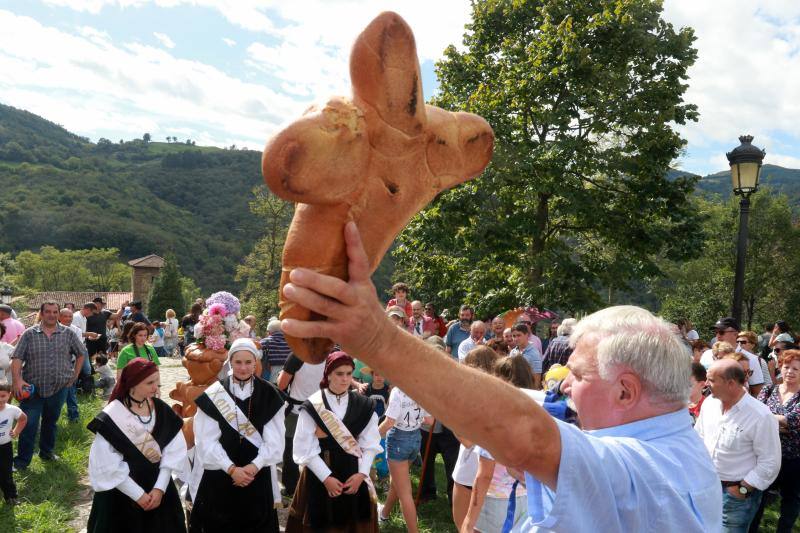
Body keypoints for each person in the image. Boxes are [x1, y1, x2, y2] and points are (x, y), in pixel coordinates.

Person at [278, 221, 723, 532]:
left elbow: (524, 432)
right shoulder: (666, 446)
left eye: (579, 375)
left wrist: (376, 338)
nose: (565, 385)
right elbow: (527, 412)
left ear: (626, 390)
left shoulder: (648, 469)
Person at [190, 338, 285, 532]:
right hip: (221, 476)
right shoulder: (214, 394)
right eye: (238, 362)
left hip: (256, 476)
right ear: (230, 362)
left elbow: (275, 440)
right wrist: (233, 470)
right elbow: (206, 441)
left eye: (248, 362)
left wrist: (253, 467)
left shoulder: (270, 394)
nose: (243, 368)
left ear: (256, 363)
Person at [86, 358, 187, 532]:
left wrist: (160, 488)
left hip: (159, 492)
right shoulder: (112, 416)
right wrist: (138, 495)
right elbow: (106, 463)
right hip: (122, 496)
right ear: (132, 384)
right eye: (150, 383)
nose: (156, 387)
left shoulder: (161, 409)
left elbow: (174, 451)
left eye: (157, 381)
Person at [286, 351, 382, 532]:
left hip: (354, 473)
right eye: (339, 374)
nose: (345, 379)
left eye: (348, 374)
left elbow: (371, 444)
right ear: (328, 374)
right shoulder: (313, 405)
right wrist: (326, 478)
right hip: (320, 472)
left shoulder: (364, 404)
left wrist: (361, 475)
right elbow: (304, 447)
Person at [695, 359, 781, 532]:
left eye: (712, 380)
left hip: (735, 495)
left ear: (731, 384)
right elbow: (699, 437)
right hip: (706, 488)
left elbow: (770, 461)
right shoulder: (709, 404)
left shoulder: (760, 416)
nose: (706, 384)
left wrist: (743, 488)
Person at [11, 301, 87, 470]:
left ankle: (47, 452)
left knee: (50, 422)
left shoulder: (68, 334)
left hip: (59, 388)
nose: (51, 315)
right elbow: (17, 358)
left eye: (55, 312)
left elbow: (81, 353)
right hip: (32, 389)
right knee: (29, 424)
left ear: (58, 314)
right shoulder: (29, 334)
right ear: (42, 313)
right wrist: (17, 380)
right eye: (48, 311)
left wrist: (74, 375)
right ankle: (22, 461)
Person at [461, 356, 532, 532]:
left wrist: (469, 520)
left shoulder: (496, 420)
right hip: (527, 498)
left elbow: (484, 475)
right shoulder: (536, 413)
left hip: (496, 501)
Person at [750, 350, 800, 532]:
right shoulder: (768, 389)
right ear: (780, 366)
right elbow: (755, 416)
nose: (790, 371)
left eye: (796, 368)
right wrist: (781, 422)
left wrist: (771, 419)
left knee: (790, 500)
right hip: (766, 455)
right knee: (758, 496)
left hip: (793, 458)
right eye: (787, 367)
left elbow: (793, 420)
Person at [451, 346, 500, 530]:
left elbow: (467, 440)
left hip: (471, 471)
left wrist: (449, 415)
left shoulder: (470, 399)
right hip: (492, 475)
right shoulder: (503, 395)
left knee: (464, 525)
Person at [377, 386, 431, 531]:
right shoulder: (422, 390)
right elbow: (430, 420)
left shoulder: (398, 391)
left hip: (398, 441)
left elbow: (389, 422)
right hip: (415, 440)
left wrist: (371, 437)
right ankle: (384, 514)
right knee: (398, 482)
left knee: (404, 493)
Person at [417, 336, 461, 507]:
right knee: (426, 461)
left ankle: (453, 496)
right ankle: (428, 492)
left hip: (449, 428)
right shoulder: (420, 372)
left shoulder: (455, 372)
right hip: (427, 425)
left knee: (451, 463)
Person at [276, 352, 325, 497]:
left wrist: (280, 374)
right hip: (321, 410)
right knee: (318, 449)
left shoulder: (297, 356)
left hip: (296, 411)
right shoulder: (330, 354)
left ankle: (291, 489)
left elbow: (282, 384)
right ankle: (317, 485)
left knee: (291, 449)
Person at [701, 317, 764, 396]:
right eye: (716, 332)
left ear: (735, 334)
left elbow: (757, 392)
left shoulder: (751, 359)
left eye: (721, 332)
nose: (718, 336)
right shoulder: (706, 354)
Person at [0, 381, 26, 505]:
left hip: (5, 446)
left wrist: (16, 432)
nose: (0, 399)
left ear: (9, 394)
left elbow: (23, 419)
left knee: (6, 471)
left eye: (3, 396)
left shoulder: (12, 410)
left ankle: (10, 496)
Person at [509, 323, 542, 389]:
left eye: (519, 335)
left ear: (526, 335)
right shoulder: (513, 352)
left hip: (528, 389)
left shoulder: (534, 353)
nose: (516, 338)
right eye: (514, 336)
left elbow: (537, 378)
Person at [263, 319, 293, 383]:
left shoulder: (265, 341)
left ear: (269, 331)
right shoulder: (291, 342)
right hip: (288, 377)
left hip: (271, 375)